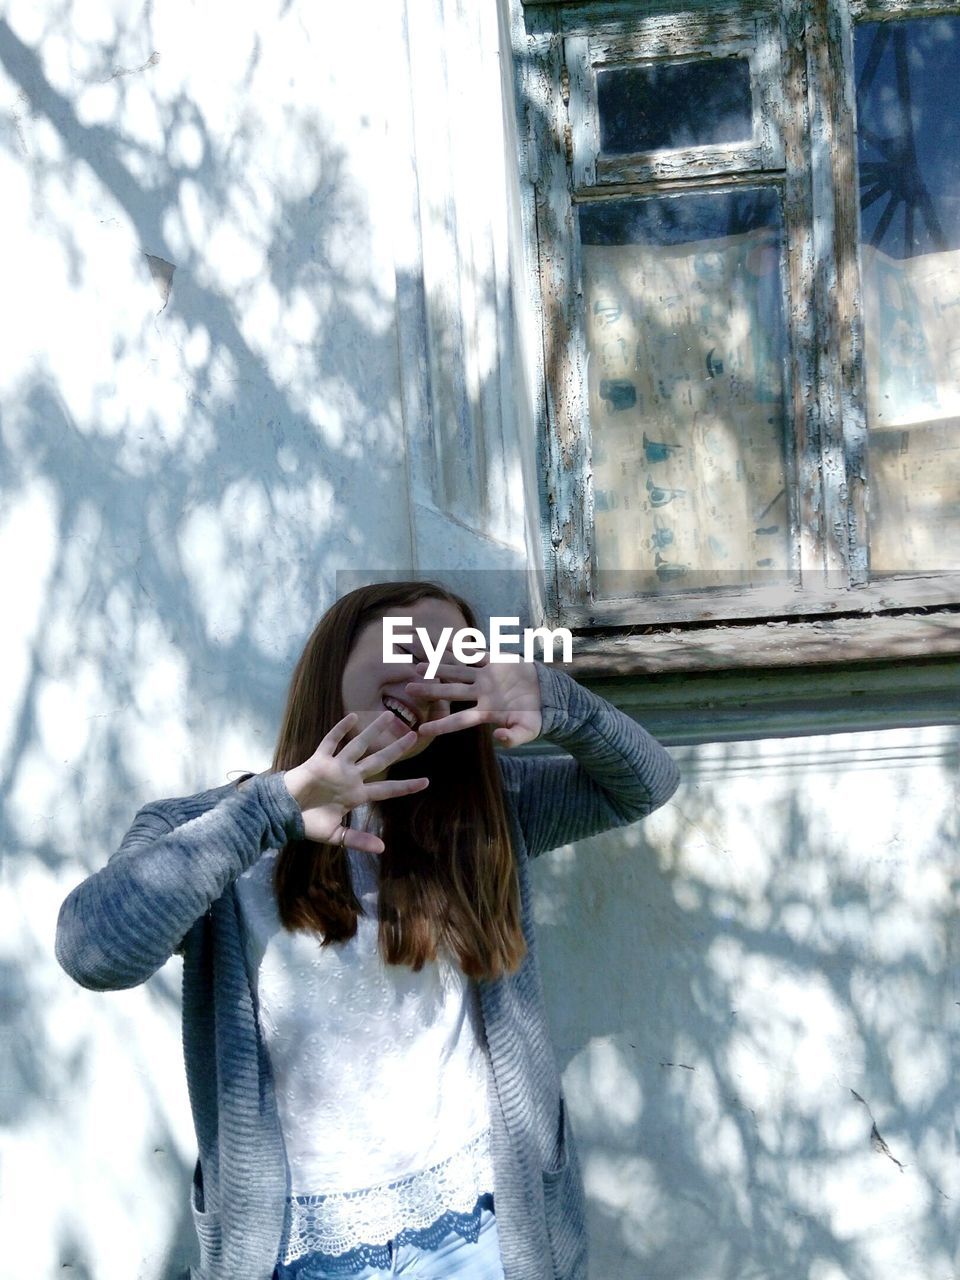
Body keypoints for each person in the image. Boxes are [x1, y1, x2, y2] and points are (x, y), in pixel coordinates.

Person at [55, 580, 680, 1280]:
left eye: (452, 661)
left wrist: (558, 702)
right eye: (405, 648)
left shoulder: (487, 810)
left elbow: (645, 784)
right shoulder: (205, 828)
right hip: (299, 1252)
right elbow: (92, 953)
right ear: (335, 661)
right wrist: (273, 809)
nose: (427, 676)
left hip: (478, 1230)